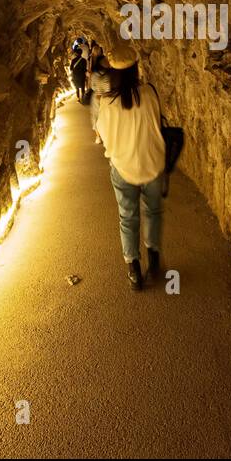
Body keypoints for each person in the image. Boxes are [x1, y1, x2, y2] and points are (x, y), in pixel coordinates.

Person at [95, 42, 167, 291]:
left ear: (113, 73)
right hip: (152, 163)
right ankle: (154, 259)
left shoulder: (107, 103)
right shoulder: (149, 92)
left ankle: (134, 269)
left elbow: (103, 135)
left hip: (123, 166)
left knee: (128, 217)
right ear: (136, 68)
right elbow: (157, 123)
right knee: (153, 211)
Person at [87, 42, 110, 144]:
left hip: (97, 97)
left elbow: (92, 86)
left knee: (96, 117)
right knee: (106, 117)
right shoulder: (110, 75)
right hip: (108, 98)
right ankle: (107, 136)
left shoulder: (95, 74)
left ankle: (98, 137)